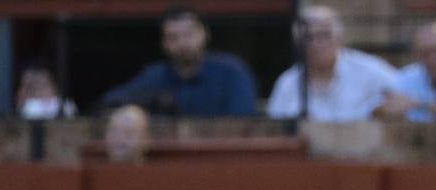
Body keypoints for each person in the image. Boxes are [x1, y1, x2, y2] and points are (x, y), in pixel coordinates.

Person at [101, 5, 257, 116]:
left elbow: (244, 122)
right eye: (173, 37)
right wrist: (152, 101)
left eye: (189, 34)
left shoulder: (231, 72)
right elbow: (110, 102)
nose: (182, 43)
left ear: (205, 34)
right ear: (164, 43)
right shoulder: (155, 76)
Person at [267, 5, 396, 122]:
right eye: (308, 37)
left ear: (339, 38)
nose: (316, 43)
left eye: (324, 35)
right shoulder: (288, 83)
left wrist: (384, 110)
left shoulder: (368, 70)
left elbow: (403, 94)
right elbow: (277, 128)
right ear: (298, 44)